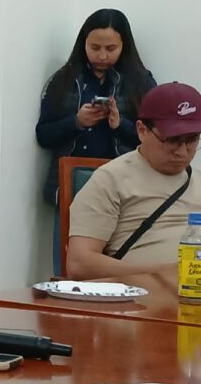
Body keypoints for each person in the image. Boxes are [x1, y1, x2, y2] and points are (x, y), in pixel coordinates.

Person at [36, 8, 157, 269]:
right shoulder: (64, 79)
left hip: (125, 187)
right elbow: (43, 134)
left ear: (124, 46)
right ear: (83, 43)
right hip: (70, 185)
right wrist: (76, 122)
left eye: (111, 48)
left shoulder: (140, 81)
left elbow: (155, 139)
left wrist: (120, 125)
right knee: (68, 268)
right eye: (94, 47)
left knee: (118, 268)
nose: (102, 55)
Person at [66, 82, 201, 280]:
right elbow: (80, 264)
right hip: (139, 293)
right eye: (172, 140)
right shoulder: (111, 180)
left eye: (192, 140)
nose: (182, 151)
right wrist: (166, 273)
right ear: (142, 130)